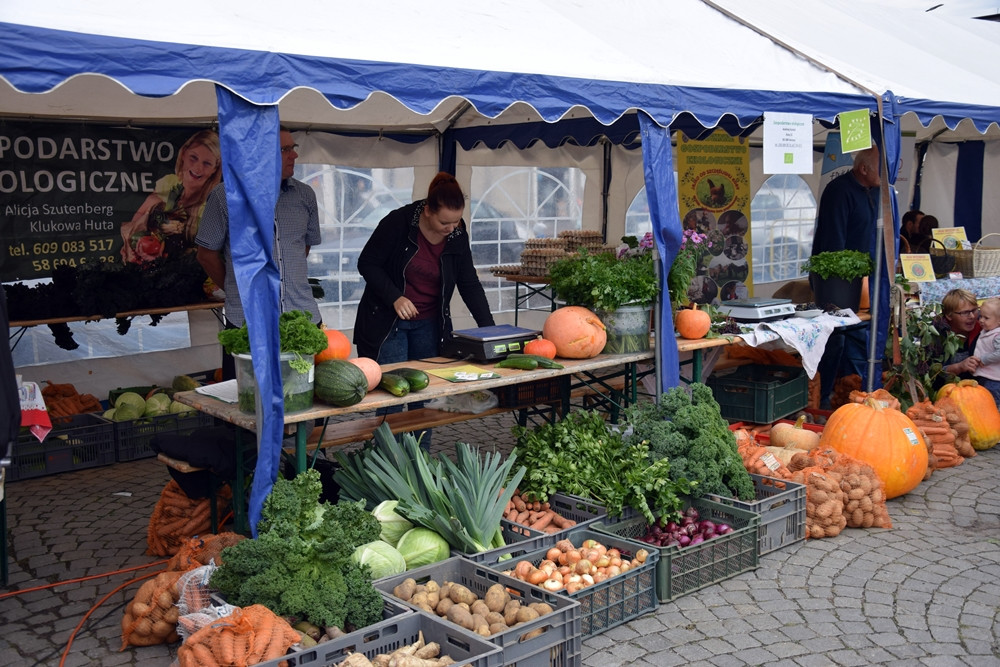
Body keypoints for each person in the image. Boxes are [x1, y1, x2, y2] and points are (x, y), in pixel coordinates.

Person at [353, 172, 495, 447]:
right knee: (392, 397)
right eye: (445, 222)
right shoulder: (398, 222)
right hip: (387, 323)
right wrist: (395, 297)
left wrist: (490, 330)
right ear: (428, 211)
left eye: (456, 221)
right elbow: (367, 263)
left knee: (425, 395)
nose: (451, 227)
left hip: (430, 324)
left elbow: (468, 282)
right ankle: (387, 462)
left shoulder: (457, 232)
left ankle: (421, 461)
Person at [195, 127, 322, 380]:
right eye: (284, 150)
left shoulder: (305, 195)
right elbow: (206, 254)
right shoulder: (224, 197)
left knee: (303, 403)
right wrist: (237, 289)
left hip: (301, 318)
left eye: (293, 148)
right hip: (247, 322)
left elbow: (300, 250)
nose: (293, 156)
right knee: (247, 406)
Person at [812, 145, 881, 409]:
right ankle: (824, 399)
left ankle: (855, 400)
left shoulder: (874, 192)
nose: (884, 175)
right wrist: (841, 283)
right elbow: (833, 244)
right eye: (879, 168)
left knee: (857, 339)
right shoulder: (839, 191)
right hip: (838, 285)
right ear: (863, 169)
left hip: (863, 282)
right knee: (836, 340)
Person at [121, 130, 222, 263]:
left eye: (207, 163)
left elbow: (212, 252)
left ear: (215, 168)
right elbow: (138, 222)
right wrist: (138, 245)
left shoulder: (215, 202)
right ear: (184, 153)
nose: (198, 168)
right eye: (194, 158)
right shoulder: (168, 182)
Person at [931, 288, 982, 389]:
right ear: (949, 316)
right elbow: (932, 374)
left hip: (978, 389)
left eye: (974, 310)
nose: (972, 316)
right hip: (946, 391)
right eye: (965, 313)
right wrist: (959, 367)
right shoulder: (937, 335)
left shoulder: (983, 327)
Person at [973, 297, 1000, 405]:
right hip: (986, 376)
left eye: (986, 318)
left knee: (993, 404)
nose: (981, 320)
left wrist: (984, 359)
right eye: (981, 316)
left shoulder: (997, 335)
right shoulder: (988, 330)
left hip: (995, 380)